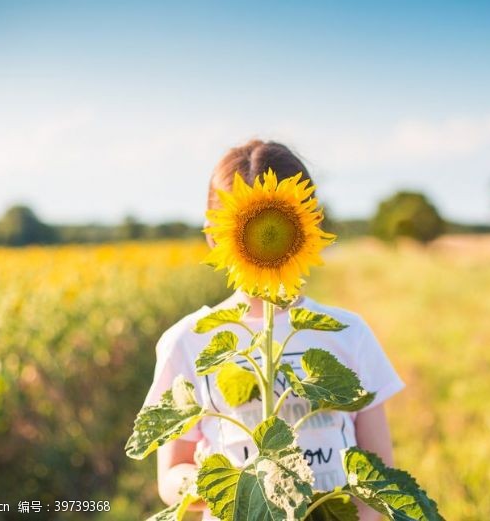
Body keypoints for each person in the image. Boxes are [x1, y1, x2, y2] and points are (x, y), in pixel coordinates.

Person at [143, 139, 406, 520]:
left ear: (310, 224)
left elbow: (377, 476)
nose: (266, 237)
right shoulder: (189, 340)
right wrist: (230, 486)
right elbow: (170, 476)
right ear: (214, 235)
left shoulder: (349, 334)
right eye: (247, 228)